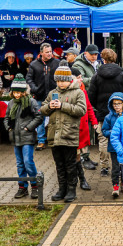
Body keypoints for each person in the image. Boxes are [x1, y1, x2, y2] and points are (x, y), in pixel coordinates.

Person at [44, 62, 87, 203]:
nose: (60, 83)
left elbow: (81, 110)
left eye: (63, 80)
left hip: (69, 134)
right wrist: (49, 106)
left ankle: (71, 190)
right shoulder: (52, 93)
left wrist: (62, 105)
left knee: (70, 164)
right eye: (58, 81)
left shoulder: (78, 92)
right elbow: (42, 109)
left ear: (69, 80)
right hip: (54, 135)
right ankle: (61, 189)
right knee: (59, 165)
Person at [89, 48, 123, 178]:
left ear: (103, 60)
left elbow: (91, 96)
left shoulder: (96, 76)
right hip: (120, 113)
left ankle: (105, 167)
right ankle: (120, 165)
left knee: (103, 139)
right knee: (121, 138)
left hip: (103, 113)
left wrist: (100, 107)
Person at [5, 75, 44, 199]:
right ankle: (22, 187)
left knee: (28, 162)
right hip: (15, 137)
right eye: (15, 92)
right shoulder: (11, 103)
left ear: (23, 92)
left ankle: (35, 185)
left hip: (27, 137)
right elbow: (6, 118)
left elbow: (39, 117)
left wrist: (28, 127)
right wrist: (9, 127)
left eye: (19, 92)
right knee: (20, 164)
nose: (17, 95)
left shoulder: (31, 102)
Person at [28, 44, 60, 150]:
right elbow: (29, 79)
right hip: (39, 96)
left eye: (50, 51)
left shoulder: (57, 63)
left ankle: (55, 140)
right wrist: (34, 88)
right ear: (41, 53)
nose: (49, 53)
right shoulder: (34, 64)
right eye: (47, 52)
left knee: (55, 119)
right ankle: (41, 141)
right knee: (40, 119)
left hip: (54, 96)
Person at [73, 75, 98, 189]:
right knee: (73, 157)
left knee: (77, 155)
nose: (81, 79)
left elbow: (89, 107)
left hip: (82, 128)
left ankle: (81, 179)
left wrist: (93, 121)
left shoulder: (83, 91)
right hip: (72, 130)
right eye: (78, 77)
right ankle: (74, 181)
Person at [101, 92, 123, 199]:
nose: (117, 106)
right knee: (115, 168)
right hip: (114, 148)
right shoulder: (109, 117)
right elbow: (104, 131)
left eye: (119, 103)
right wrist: (112, 132)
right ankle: (115, 186)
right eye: (114, 104)